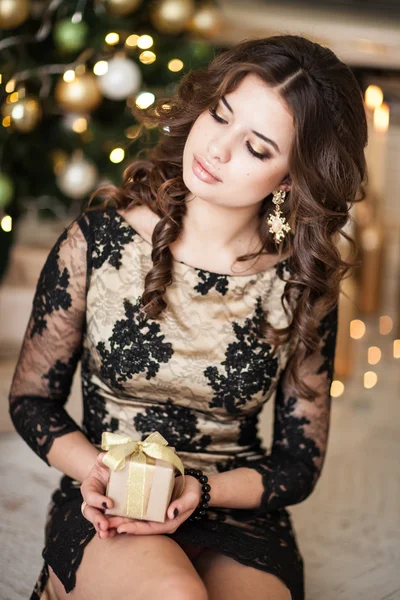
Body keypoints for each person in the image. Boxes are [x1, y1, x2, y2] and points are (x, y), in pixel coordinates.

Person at [9, 34, 367, 600]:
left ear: (291, 178)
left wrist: (200, 488)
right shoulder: (96, 242)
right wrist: (97, 473)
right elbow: (31, 401)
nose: (217, 149)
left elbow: (298, 464)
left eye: (256, 147)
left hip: (232, 503)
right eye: (220, 114)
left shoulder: (300, 285)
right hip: (111, 496)